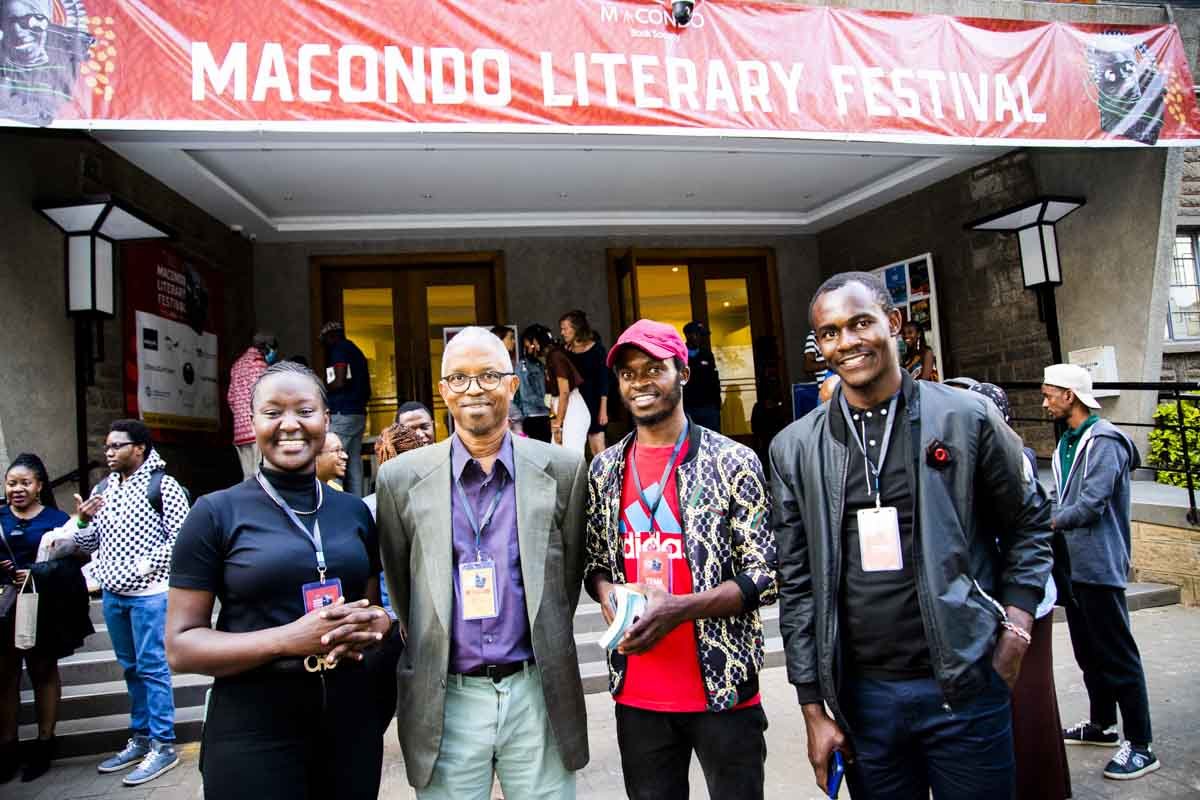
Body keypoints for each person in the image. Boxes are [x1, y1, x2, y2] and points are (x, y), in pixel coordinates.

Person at [771, 271, 1053, 800]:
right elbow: (797, 581)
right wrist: (812, 705)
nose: (846, 342)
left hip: (965, 687)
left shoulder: (968, 418)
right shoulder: (795, 448)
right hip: (864, 702)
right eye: (830, 333)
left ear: (893, 323)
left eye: (860, 323)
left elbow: (1030, 519)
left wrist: (1017, 624)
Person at [376, 326, 589, 798]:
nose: (474, 389)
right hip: (447, 696)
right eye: (460, 378)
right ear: (443, 390)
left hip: (536, 693)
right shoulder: (399, 478)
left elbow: (566, 579)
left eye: (489, 375)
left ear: (513, 385)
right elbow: (402, 583)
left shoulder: (563, 469)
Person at [167, 361, 393, 799]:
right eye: (273, 413)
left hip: (348, 722)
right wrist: (290, 639)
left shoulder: (352, 512)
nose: (290, 424)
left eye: (304, 411)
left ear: (326, 421)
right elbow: (181, 646)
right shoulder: (215, 513)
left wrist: (378, 624)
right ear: (253, 423)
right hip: (254, 725)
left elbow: (370, 609)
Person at [584, 319, 777, 800]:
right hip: (638, 691)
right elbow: (593, 564)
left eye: (654, 369)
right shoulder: (606, 468)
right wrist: (609, 594)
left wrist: (679, 608)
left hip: (724, 687)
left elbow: (764, 576)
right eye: (629, 374)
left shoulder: (734, 461)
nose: (640, 383)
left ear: (683, 373)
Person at [1041, 363, 1159, 780]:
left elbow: (1091, 503)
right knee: (1088, 651)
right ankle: (1103, 726)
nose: (1044, 401)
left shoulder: (1104, 441)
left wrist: (1047, 521)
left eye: (1049, 393)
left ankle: (1141, 744)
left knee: (1117, 654)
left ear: (1069, 395)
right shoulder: (1066, 444)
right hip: (1071, 563)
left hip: (1099, 563)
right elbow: (1061, 496)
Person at [72, 420, 190, 786]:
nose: (108, 453)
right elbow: (90, 544)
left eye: (116, 446)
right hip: (114, 595)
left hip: (150, 594)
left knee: (152, 667)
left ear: (139, 448)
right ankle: (140, 739)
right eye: (106, 447)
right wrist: (82, 519)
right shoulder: (104, 488)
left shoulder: (163, 486)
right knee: (130, 667)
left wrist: (141, 566)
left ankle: (163, 744)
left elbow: (182, 539)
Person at [969, 382, 1073, 800]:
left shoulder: (1013, 459)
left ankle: (1038, 785)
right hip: (1005, 596)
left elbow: (1026, 534)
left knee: (1027, 697)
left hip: (1022, 600)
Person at [0, 453, 89, 783]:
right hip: (5, 609)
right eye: (12, 483)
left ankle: (44, 742)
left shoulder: (56, 519)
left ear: (39, 486)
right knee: (5, 676)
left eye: (25, 483)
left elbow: (78, 559)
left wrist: (38, 572)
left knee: (42, 672)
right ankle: (7, 746)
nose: (17, 489)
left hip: (44, 608)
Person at [320, 321, 370, 496]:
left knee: (334, 460)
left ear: (331, 336)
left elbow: (340, 380)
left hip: (343, 412)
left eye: (325, 340)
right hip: (358, 413)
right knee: (354, 463)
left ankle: (334, 504)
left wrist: (322, 389)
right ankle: (358, 503)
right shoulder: (355, 350)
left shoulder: (339, 350)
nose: (324, 345)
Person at [524, 323, 588, 451]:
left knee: (572, 457)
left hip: (572, 408)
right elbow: (551, 400)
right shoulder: (549, 358)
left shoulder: (556, 356)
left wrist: (558, 424)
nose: (530, 347)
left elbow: (564, 392)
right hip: (560, 409)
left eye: (531, 343)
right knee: (559, 455)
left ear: (537, 341)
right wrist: (554, 423)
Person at [227, 332, 278, 479]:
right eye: (273, 349)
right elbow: (267, 397)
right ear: (267, 348)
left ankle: (247, 501)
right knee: (261, 475)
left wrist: (241, 417)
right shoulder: (260, 366)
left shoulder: (237, 365)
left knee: (247, 476)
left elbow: (231, 398)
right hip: (257, 429)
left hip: (240, 432)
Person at [560, 310, 610, 456]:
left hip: (594, 402)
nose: (562, 332)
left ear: (576, 328)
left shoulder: (597, 350)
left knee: (597, 446)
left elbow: (604, 380)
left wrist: (603, 409)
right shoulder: (565, 352)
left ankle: (604, 478)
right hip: (575, 403)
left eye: (565, 328)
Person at [682, 321, 722, 433]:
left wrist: (717, 404)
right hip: (688, 408)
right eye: (698, 335)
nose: (701, 338)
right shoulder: (680, 356)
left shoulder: (707, 355)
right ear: (689, 335)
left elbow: (714, 380)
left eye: (702, 336)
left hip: (708, 408)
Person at [515, 325, 553, 443]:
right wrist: (549, 404)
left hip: (546, 415)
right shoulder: (523, 365)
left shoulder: (540, 364)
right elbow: (526, 395)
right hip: (533, 416)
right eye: (528, 343)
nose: (530, 346)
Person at [492, 325, 525, 434]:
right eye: (510, 338)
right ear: (500, 340)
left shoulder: (505, 361)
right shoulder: (494, 362)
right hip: (506, 414)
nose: (514, 341)